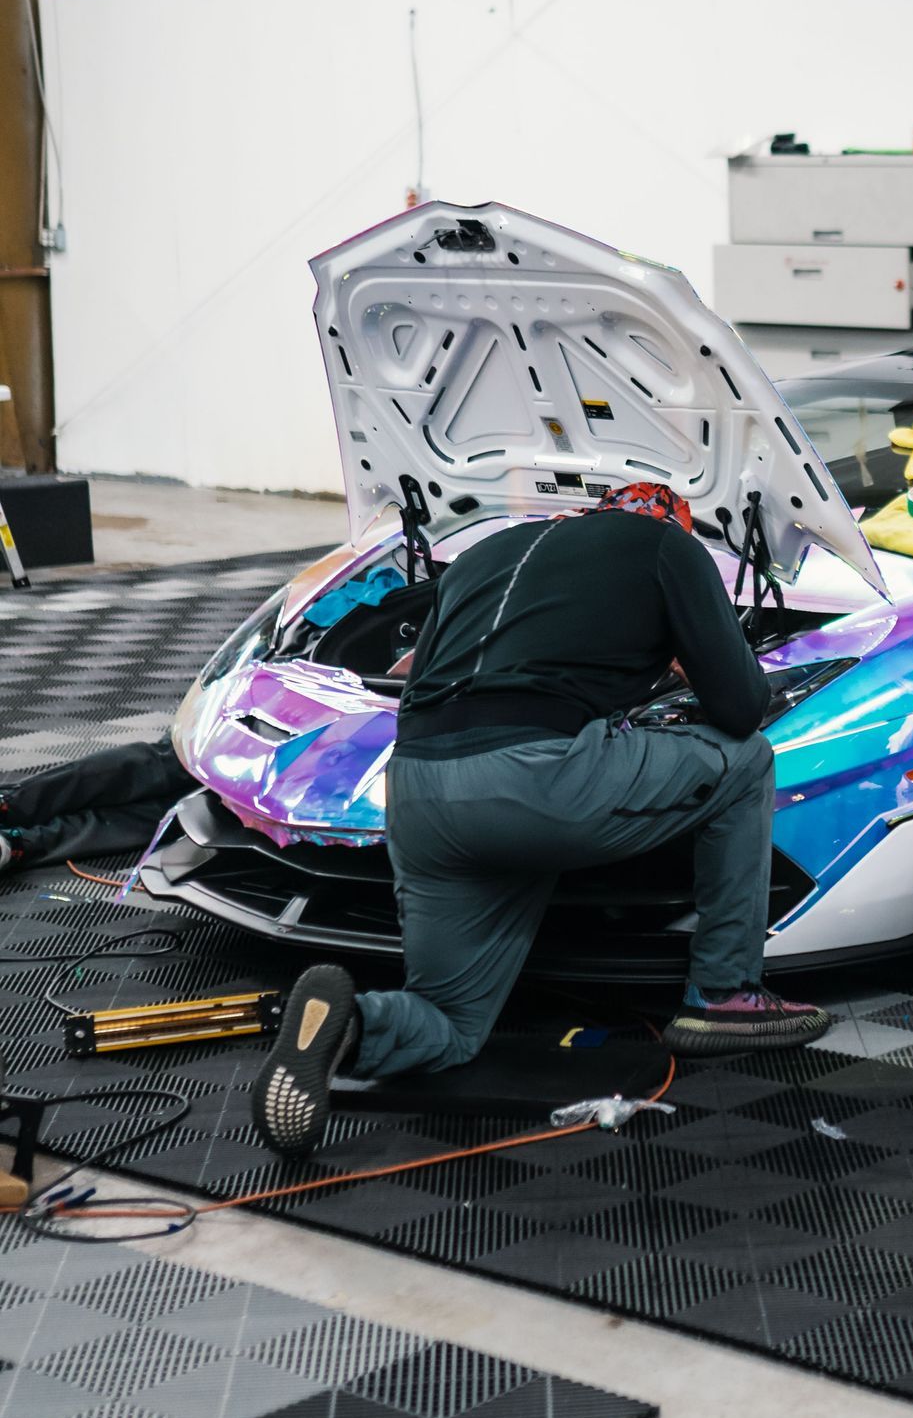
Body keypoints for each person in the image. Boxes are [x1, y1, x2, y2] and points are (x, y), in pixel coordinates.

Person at [251, 480, 830, 1158]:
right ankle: (724, 996)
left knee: (452, 1020)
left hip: (418, 787)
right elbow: (739, 705)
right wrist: (673, 663)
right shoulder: (666, 545)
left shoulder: (482, 554)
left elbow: (426, 674)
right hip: (536, 782)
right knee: (747, 761)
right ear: (677, 520)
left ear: (594, 510)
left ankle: (354, 1023)